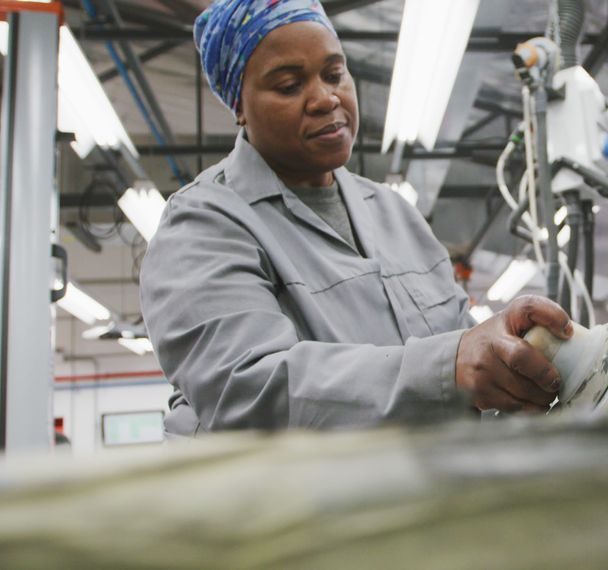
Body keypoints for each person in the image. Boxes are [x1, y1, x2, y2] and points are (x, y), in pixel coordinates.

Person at [140, 0, 571, 437]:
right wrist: (448, 367)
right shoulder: (202, 226)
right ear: (240, 107)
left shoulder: (394, 213)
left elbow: (461, 342)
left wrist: (505, 351)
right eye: (289, 85)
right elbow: (249, 391)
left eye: (334, 74)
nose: (326, 98)